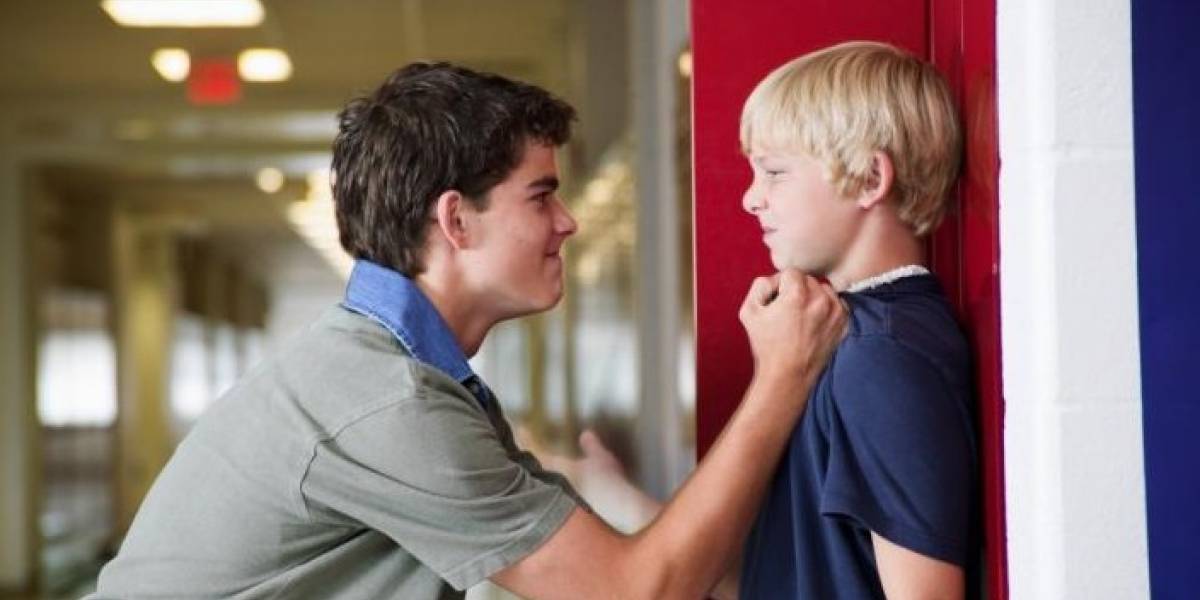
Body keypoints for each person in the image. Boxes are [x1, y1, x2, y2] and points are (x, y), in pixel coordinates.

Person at [88, 62, 847, 599]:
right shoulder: (390, 401)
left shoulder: (412, 376)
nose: (568, 222)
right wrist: (784, 376)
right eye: (541, 196)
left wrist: (614, 496)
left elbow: (636, 567)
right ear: (456, 220)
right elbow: (634, 591)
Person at [717, 41, 980, 599]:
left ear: (868, 179)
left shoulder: (882, 354)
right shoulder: (845, 337)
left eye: (774, 172)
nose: (750, 199)